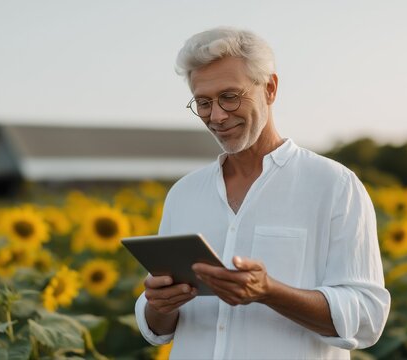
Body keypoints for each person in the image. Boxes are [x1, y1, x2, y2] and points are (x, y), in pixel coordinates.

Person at [135, 26, 390, 359]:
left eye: (229, 96)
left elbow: (367, 318)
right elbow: (159, 327)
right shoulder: (183, 193)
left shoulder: (335, 186)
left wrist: (269, 292)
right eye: (203, 102)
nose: (217, 116)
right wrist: (158, 304)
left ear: (270, 88)